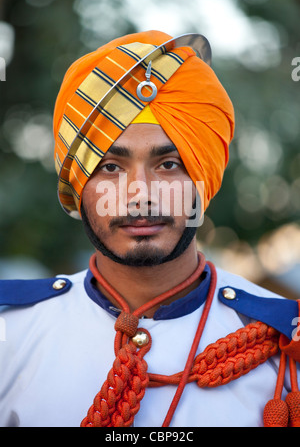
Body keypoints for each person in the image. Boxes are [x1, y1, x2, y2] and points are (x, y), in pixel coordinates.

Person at [0, 30, 300, 428]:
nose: (140, 194)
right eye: (110, 167)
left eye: (168, 165)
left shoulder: (283, 344)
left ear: (203, 179)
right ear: (78, 185)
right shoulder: (12, 332)